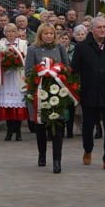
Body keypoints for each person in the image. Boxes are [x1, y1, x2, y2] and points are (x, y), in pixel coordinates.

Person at [72, 17, 105, 171]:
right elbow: (74, 70)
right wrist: (75, 91)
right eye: (99, 27)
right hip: (89, 93)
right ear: (92, 29)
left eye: (104, 27)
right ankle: (88, 149)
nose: (103, 30)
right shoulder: (82, 47)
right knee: (88, 127)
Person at [26, 24, 70, 172]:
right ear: (40, 35)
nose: (49, 36)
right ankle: (42, 154)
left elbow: (66, 68)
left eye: (51, 33)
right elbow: (28, 72)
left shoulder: (60, 48)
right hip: (40, 93)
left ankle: (57, 160)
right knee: (40, 127)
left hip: (57, 92)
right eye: (46, 33)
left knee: (58, 127)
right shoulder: (33, 49)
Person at [0, 23, 29, 141]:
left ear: (17, 33)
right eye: (8, 31)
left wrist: (15, 61)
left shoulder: (23, 44)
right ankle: (9, 131)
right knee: (7, 107)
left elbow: (26, 59)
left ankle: (18, 132)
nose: (11, 33)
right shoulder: (0, 43)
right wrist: (3, 62)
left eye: (13, 31)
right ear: (5, 33)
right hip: (5, 78)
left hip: (18, 77)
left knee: (18, 105)